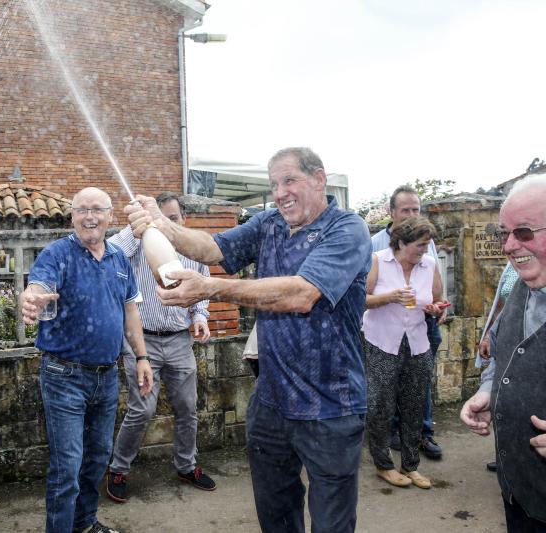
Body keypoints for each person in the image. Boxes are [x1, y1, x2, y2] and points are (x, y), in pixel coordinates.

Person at [126, 147, 371, 532]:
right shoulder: (269, 223)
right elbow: (214, 248)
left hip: (331, 404)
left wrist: (209, 288)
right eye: (274, 184)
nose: (280, 192)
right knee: (275, 514)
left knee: (332, 522)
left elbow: (301, 294)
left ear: (319, 179)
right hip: (271, 401)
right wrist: (163, 226)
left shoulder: (347, 229)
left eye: (289, 180)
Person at [20, 187, 154, 533]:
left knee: (96, 460)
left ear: (111, 216)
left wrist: (141, 356)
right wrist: (32, 298)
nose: (89, 217)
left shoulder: (119, 259)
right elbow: (37, 285)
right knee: (67, 467)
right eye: (81, 210)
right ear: (72, 216)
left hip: (106, 377)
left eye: (97, 210)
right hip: (64, 375)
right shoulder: (57, 254)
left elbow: (130, 311)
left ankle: (85, 523)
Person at [106, 192, 214, 504]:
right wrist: (137, 228)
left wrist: (200, 316)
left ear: (184, 220)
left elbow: (203, 288)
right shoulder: (140, 241)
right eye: (160, 217)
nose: (166, 224)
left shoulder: (193, 249)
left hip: (181, 340)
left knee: (187, 407)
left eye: (173, 218)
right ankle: (118, 469)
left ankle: (186, 465)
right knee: (142, 409)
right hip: (143, 341)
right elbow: (109, 251)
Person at [461, 174, 546, 532]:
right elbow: (502, 354)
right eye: (504, 234)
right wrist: (488, 391)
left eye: (523, 232)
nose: (509, 245)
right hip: (521, 493)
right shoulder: (523, 288)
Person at [363, 216, 445, 489]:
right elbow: (359, 299)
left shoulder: (429, 265)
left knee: (414, 406)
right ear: (401, 242)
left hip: (418, 343)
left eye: (427, 245)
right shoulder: (378, 260)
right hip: (381, 342)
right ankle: (383, 465)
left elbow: (436, 302)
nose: (424, 250)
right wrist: (391, 297)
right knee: (380, 406)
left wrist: (436, 310)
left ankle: (411, 466)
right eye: (420, 245)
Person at [475, 261, 518, 473]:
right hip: (507, 332)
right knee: (505, 397)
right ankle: (505, 455)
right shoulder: (512, 265)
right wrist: (490, 333)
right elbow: (501, 303)